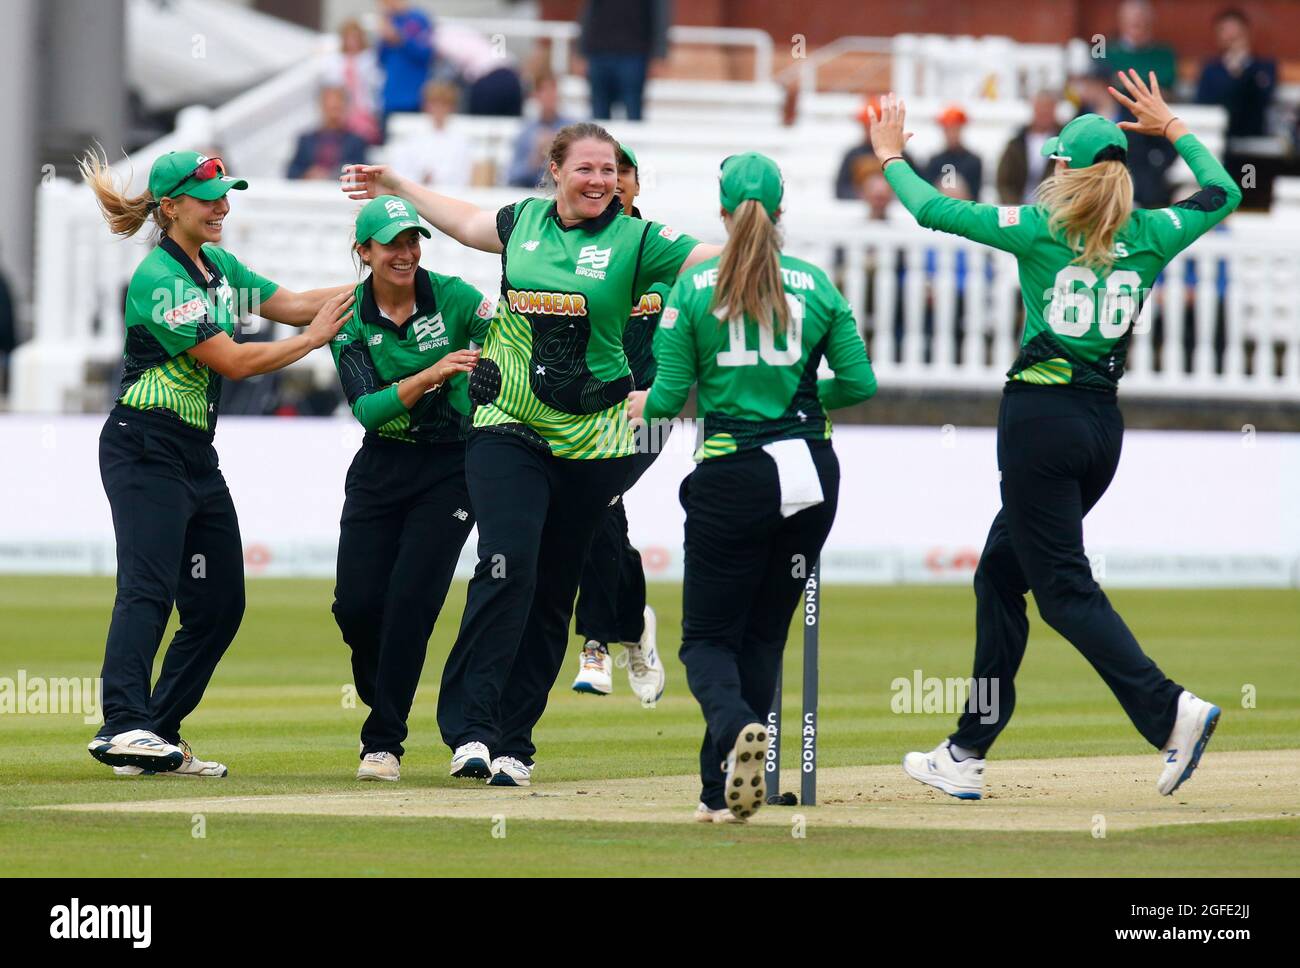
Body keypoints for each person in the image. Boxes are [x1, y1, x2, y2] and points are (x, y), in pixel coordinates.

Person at [868, 73, 1237, 801]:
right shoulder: (1156, 231)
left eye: (1055, 163)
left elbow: (934, 209)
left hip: (1039, 423)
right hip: (1103, 429)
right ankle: (966, 751)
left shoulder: (1039, 229)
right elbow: (1224, 191)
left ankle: (1170, 712)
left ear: (1065, 169)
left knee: (1063, 589)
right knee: (1001, 575)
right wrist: (1172, 128)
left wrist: (888, 157)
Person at [341, 122, 719, 787]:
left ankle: (516, 742)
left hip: (593, 436)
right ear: (554, 171)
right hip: (507, 419)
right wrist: (399, 185)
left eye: (610, 170)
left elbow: (711, 260)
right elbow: (463, 222)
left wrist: (762, 236)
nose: (600, 179)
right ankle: (472, 732)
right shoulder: (524, 223)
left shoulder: (638, 240)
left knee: (551, 586)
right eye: (586, 168)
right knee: (506, 561)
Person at [80, 148, 354, 776]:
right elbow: (232, 360)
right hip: (144, 444)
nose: (223, 206)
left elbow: (290, 302)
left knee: (219, 605)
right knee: (147, 588)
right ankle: (121, 726)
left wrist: (388, 283)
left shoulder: (218, 266)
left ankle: (154, 734)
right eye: (209, 199)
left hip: (193, 455)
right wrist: (310, 344)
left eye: (225, 195)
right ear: (171, 208)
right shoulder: (159, 278)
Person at [627, 152, 876, 822]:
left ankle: (737, 730)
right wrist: (797, 403)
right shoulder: (816, 283)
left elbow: (671, 396)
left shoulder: (694, 285)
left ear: (721, 210)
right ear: (782, 209)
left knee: (707, 640)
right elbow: (859, 384)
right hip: (811, 468)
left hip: (734, 468)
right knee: (764, 634)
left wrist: (641, 403)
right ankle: (721, 791)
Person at [330, 195, 489, 782]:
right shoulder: (347, 315)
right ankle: (386, 690)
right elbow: (368, 409)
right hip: (380, 467)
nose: (406, 253)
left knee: (411, 605)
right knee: (356, 606)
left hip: (451, 467)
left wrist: (465, 381)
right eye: (392, 244)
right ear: (364, 252)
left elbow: (501, 353)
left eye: (413, 241)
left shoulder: (457, 297)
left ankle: (383, 741)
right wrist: (432, 374)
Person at [570, 144, 668, 702]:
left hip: (650, 409)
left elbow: (689, 326)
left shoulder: (658, 247)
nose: (614, 181)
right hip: (582, 408)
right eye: (605, 171)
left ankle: (595, 644)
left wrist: (665, 391)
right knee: (596, 509)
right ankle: (632, 624)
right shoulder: (574, 250)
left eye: (622, 172)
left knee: (597, 501)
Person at [1104, 0, 1178, 208]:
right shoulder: (1107, 51)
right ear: (1121, 22)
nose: (1137, 24)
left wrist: (1124, 85)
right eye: (1132, 20)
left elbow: (1166, 87)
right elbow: (1102, 86)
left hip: (1151, 125)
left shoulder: (1163, 54)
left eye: (1141, 20)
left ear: (1150, 22)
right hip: (1117, 121)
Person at [578, 0, 670, 122]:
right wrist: (582, 52)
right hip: (599, 53)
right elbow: (589, 10)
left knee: (633, 113)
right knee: (598, 118)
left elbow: (660, 14)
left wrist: (659, 54)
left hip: (634, 55)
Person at [1195, 8, 1276, 141]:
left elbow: (1263, 98)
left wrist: (1241, 67)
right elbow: (1203, 102)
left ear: (1246, 33)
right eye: (1224, 31)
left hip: (1252, 134)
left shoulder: (1265, 66)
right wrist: (1232, 71)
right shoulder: (1210, 69)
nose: (1231, 37)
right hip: (1217, 134)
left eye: (1235, 32)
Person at [386, 81, 472, 189]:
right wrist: (421, 177)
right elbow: (400, 171)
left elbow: (462, 177)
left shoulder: (460, 141)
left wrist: (437, 179)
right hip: (414, 193)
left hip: (448, 195)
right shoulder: (412, 137)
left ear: (452, 107)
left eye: (444, 104)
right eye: (434, 103)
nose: (438, 109)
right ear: (426, 106)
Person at [433, 20, 523, 117]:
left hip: (487, 79)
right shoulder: (460, 30)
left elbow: (452, 70)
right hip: (511, 77)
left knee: (480, 123)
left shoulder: (439, 38)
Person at [286, 87, 370, 181]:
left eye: (337, 108)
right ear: (322, 107)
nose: (333, 114)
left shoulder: (356, 141)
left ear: (345, 108)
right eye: (330, 108)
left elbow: (363, 171)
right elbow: (292, 172)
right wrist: (308, 174)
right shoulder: (306, 140)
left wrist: (334, 174)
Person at [322, 19, 384, 145]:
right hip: (344, 110)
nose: (352, 42)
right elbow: (332, 85)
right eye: (348, 38)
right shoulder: (335, 60)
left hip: (364, 108)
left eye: (355, 38)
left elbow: (377, 82)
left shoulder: (370, 58)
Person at [506, 73, 572, 188]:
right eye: (544, 91)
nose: (550, 96)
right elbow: (513, 177)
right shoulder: (526, 133)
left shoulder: (572, 129)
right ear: (536, 95)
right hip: (533, 195)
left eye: (553, 90)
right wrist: (535, 158)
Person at [996, 90, 1061, 204]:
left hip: (1052, 207)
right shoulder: (1016, 143)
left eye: (1048, 108)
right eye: (1040, 108)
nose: (1044, 112)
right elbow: (1003, 181)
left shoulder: (1065, 143)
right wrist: (1015, 208)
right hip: (1019, 209)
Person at [376, 0, 434, 123]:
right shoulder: (389, 21)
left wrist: (400, 38)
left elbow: (426, 54)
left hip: (414, 97)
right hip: (390, 98)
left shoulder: (419, 19)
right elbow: (381, 60)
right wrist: (384, 38)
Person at [923, 105, 983, 199]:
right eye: (948, 129)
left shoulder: (973, 162)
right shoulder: (934, 162)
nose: (952, 134)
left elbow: (975, 196)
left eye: (955, 129)